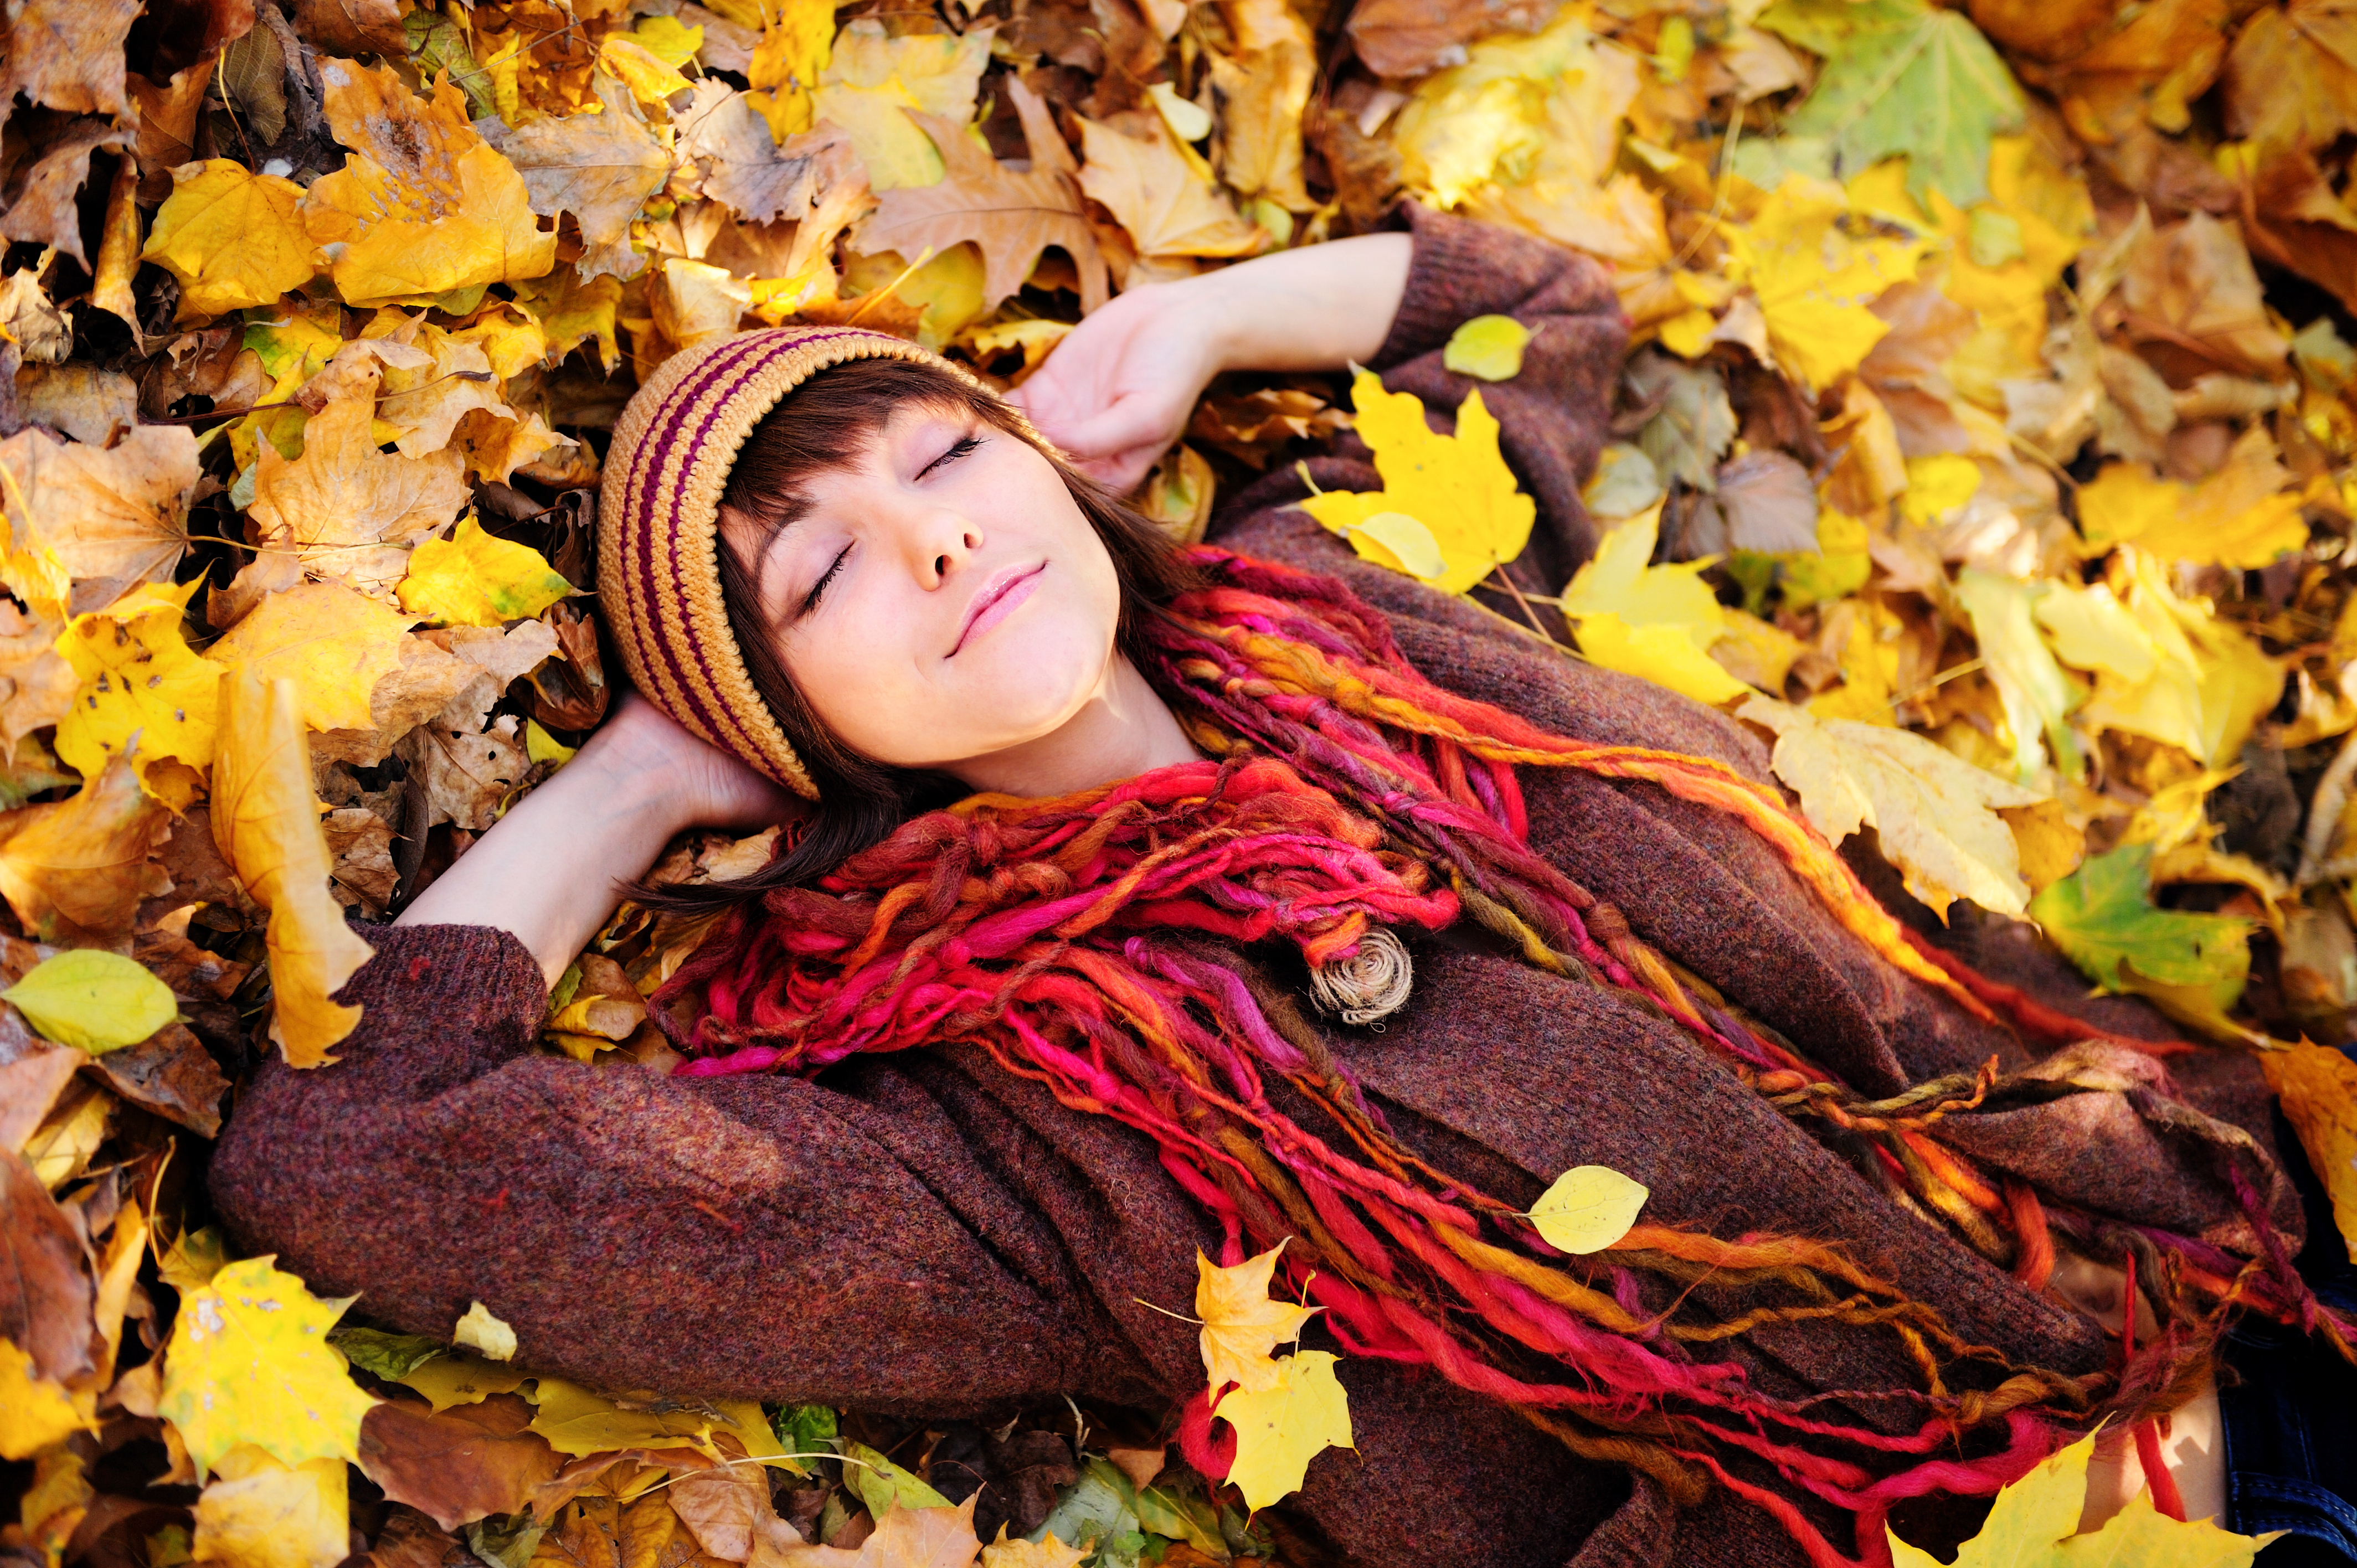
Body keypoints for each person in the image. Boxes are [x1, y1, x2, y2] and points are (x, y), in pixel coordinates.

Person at [211, 206, 2342, 1566]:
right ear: (785, 721)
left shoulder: (1346, 583)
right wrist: (637, 780)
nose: (937, 542)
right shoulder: (1001, 1129)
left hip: (2235, 1244)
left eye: (944, 455)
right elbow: (359, 1149)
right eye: (819, 570)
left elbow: (1535, 305)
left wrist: (1194, 321)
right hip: (2010, 1538)